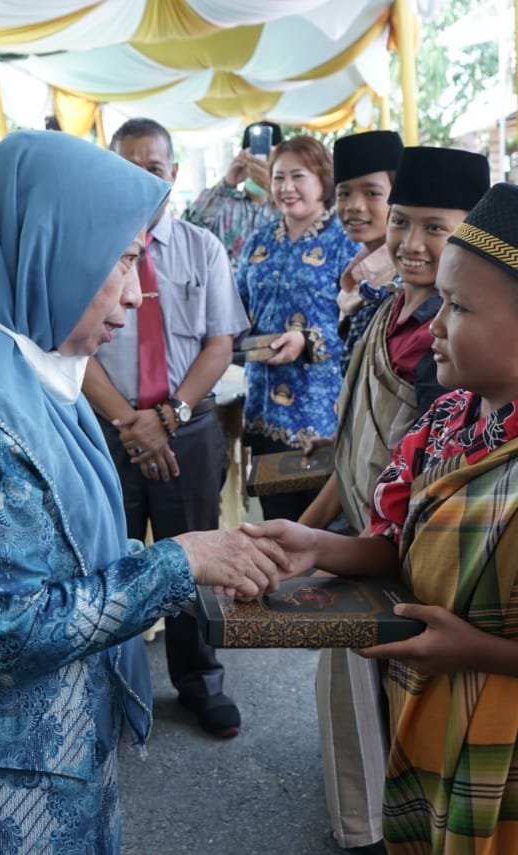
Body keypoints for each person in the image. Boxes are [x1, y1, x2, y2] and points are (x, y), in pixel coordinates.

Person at [0, 129, 292, 854]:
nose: (140, 293)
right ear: (49, 245)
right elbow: (4, 634)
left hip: (6, 750)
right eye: (123, 260)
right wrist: (181, 560)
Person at [246, 184, 518, 852]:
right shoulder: (446, 418)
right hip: (428, 715)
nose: (437, 325)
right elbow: (395, 544)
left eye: (459, 307)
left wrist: (476, 650)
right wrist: (315, 546)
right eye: (441, 301)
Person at [300, 146, 489, 855]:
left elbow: (430, 489)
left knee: (411, 714)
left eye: (436, 228)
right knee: (363, 701)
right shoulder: (388, 314)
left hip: (407, 555)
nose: (411, 244)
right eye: (401, 222)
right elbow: (356, 453)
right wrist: (305, 533)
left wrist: (324, 547)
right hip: (365, 541)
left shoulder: (459, 341)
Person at [86, 118, 251, 738]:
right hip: (108, 427)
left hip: (187, 426)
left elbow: (220, 345)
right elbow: (75, 351)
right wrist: (130, 422)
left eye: (153, 167)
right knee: (108, 563)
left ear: (173, 174)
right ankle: (110, 690)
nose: (141, 178)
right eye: (127, 166)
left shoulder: (202, 247)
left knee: (195, 558)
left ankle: (200, 683)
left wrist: (170, 416)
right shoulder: (89, 249)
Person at [235, 134, 360, 520]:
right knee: (276, 528)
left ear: (323, 180)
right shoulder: (259, 240)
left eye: (298, 176)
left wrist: (307, 340)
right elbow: (238, 307)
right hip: (263, 410)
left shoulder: (346, 240)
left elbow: (360, 327)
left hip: (320, 417)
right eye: (277, 178)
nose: (286, 187)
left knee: (323, 533)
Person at [330, 130, 404, 377]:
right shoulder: (358, 272)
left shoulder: (405, 277)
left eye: (371, 193)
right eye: (344, 193)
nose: (354, 206)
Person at [185, 121, 280, 270]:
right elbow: (188, 230)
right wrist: (226, 184)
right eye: (255, 155)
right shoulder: (223, 203)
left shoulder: (287, 207)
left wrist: (273, 188)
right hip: (226, 291)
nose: (261, 163)